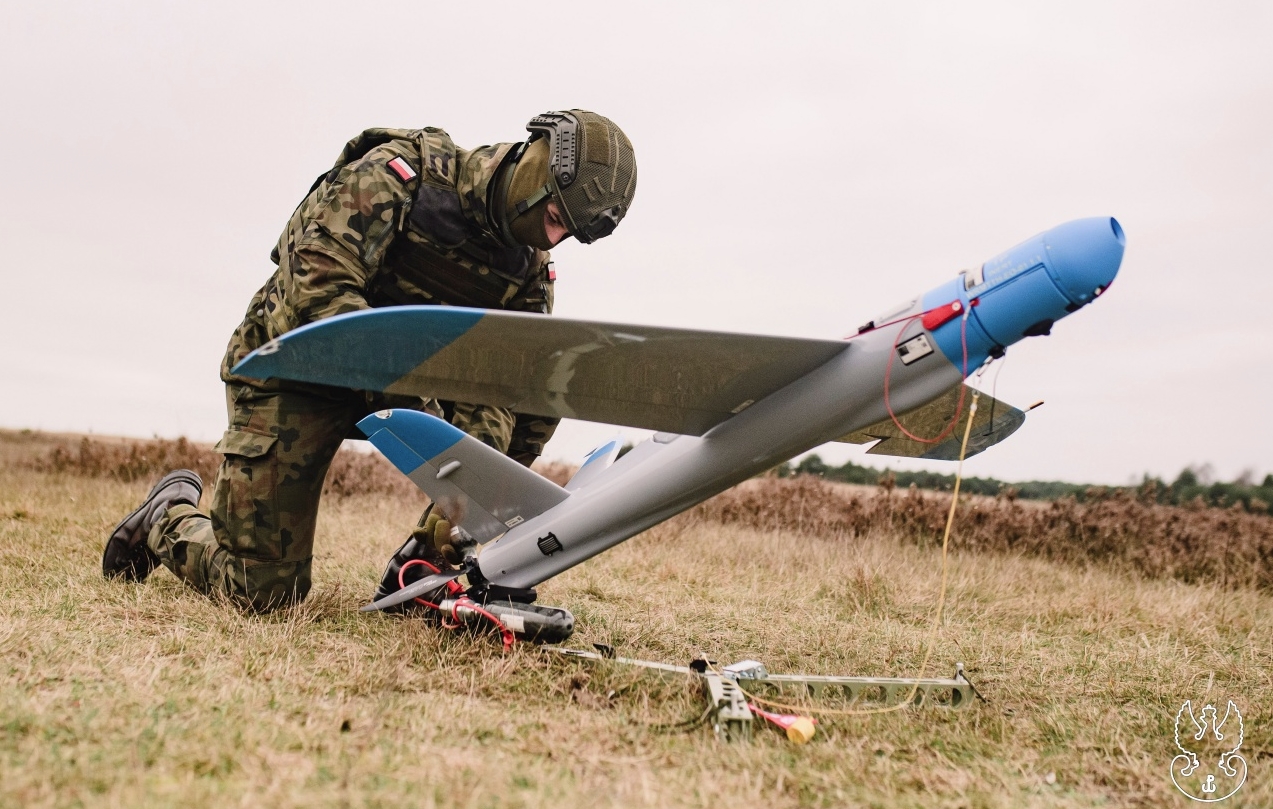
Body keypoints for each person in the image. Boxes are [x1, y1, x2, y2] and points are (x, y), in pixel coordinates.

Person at [102, 110, 638, 612]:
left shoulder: (528, 272)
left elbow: (529, 393)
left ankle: (423, 564)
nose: (553, 238)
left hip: (409, 397)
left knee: (497, 396)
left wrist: (473, 519)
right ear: (538, 163)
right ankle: (168, 514)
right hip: (294, 370)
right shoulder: (398, 177)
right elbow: (318, 294)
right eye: (551, 217)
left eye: (568, 233)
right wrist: (420, 414)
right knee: (261, 590)